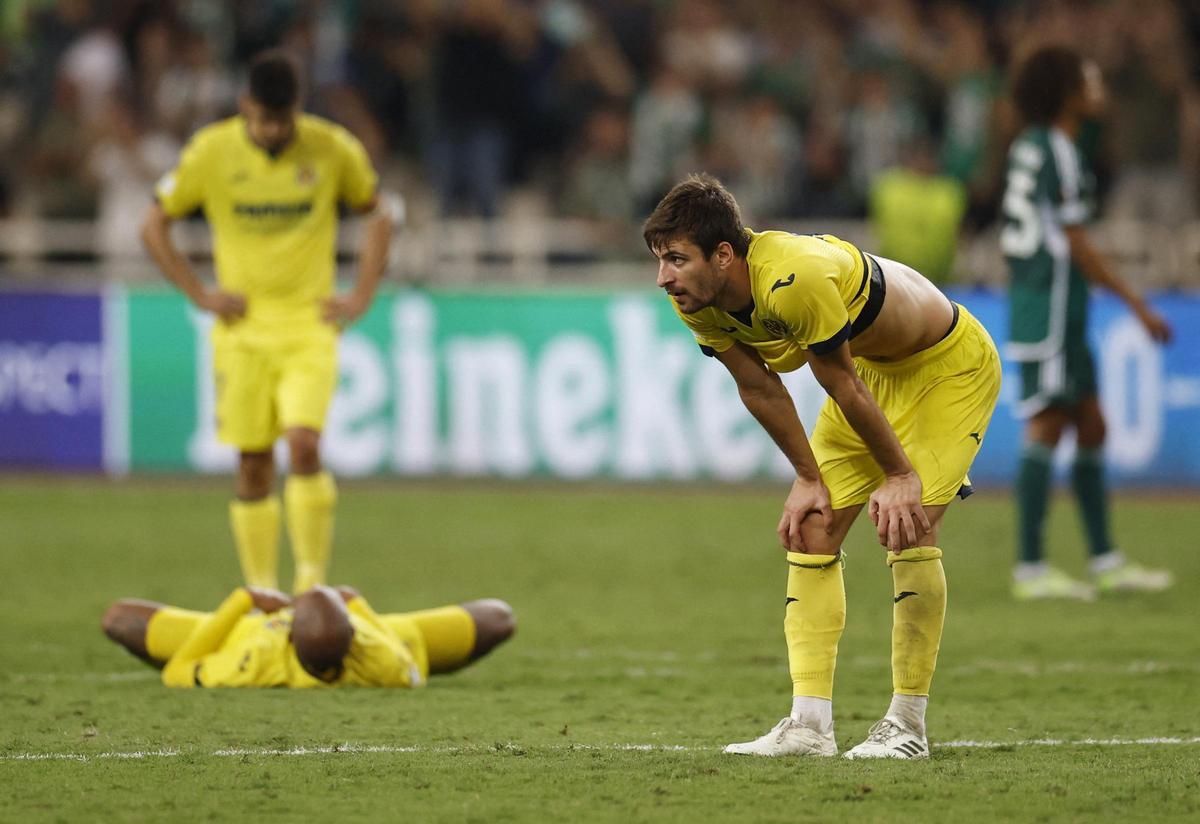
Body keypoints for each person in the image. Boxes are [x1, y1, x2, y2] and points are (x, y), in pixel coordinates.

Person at [644, 174, 1001, 759]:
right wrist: (808, 478)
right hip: (871, 374)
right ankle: (810, 727)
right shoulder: (696, 299)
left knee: (908, 524)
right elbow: (759, 387)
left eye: (676, 259)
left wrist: (900, 476)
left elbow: (840, 383)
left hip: (945, 368)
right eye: (660, 260)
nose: (664, 277)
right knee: (813, 525)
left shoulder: (793, 279)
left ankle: (907, 725)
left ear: (723, 254)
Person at [141, 50, 400, 593]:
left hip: (308, 325)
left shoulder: (332, 148)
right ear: (244, 106)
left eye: (283, 120)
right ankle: (262, 591)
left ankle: (310, 587)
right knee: (253, 461)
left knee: (304, 444)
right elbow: (153, 226)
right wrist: (199, 293)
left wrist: (361, 294)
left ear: (297, 107)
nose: (274, 131)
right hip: (243, 332)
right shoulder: (211, 152)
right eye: (264, 120)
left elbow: (378, 213)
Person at [1001, 46, 1174, 601]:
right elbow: (1075, 243)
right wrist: (1138, 305)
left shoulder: (1032, 145)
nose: (1097, 86)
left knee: (1092, 423)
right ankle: (1031, 569)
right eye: (1088, 78)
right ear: (1067, 92)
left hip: (1052, 301)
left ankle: (1106, 561)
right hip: (1051, 303)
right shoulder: (1058, 148)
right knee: (1048, 422)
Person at [101, 585, 515, 688]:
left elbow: (178, 671)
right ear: (353, 634)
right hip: (392, 631)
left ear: (289, 631)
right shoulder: (377, 655)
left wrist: (243, 600)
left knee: (119, 618)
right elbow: (411, 672)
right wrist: (358, 605)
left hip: (237, 632)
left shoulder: (254, 661)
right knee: (499, 617)